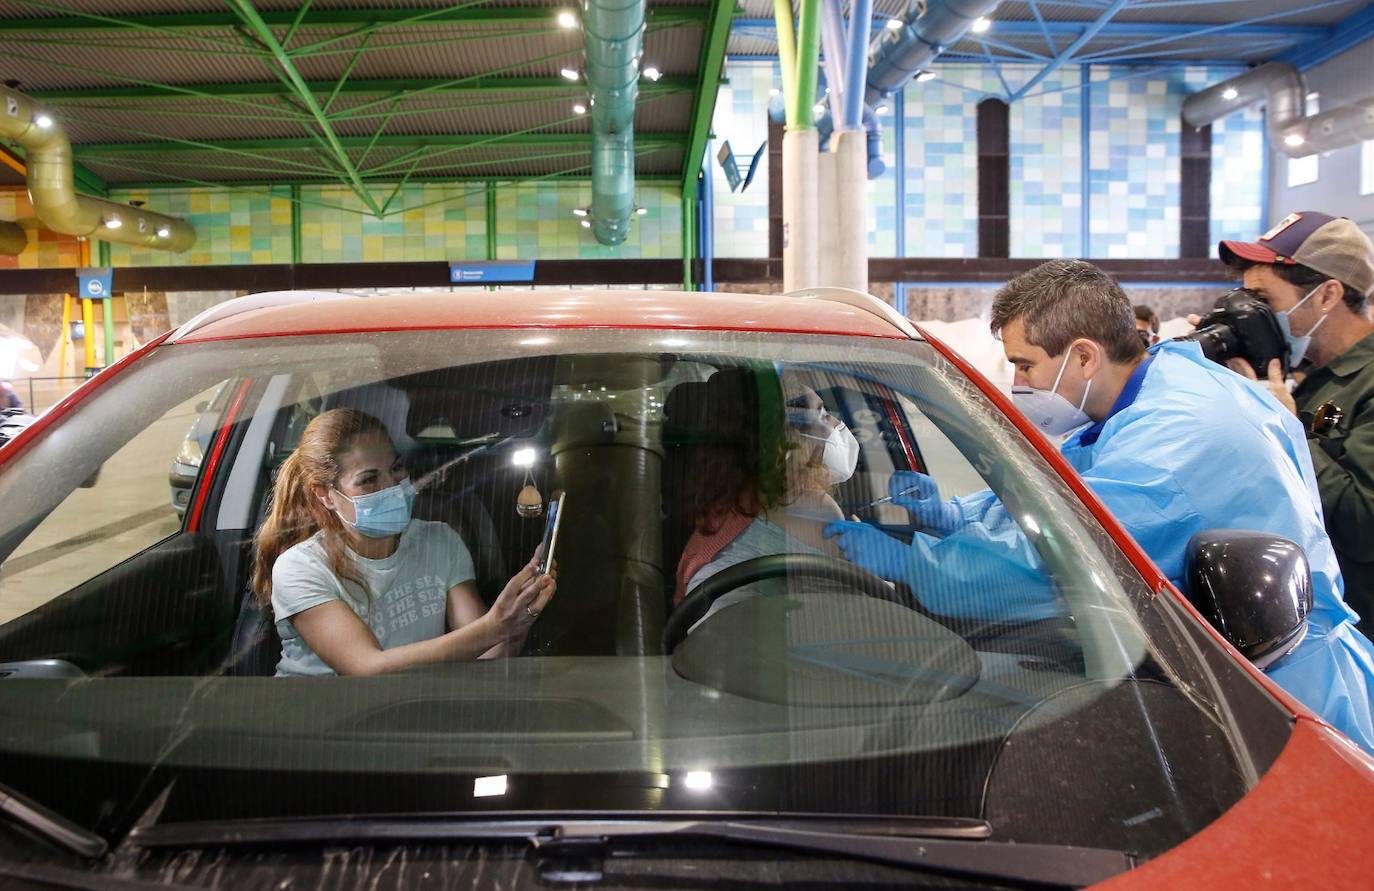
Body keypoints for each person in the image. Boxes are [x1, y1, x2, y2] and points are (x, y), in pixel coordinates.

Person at [825, 259, 1374, 753]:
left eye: (1025, 366)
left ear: (1084, 356)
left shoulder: (1173, 442)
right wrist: (959, 516)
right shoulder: (1157, 389)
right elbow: (1074, 493)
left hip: (1287, 695)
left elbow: (1058, 561)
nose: (1018, 385)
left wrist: (915, 563)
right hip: (1248, 666)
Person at [253, 408, 555, 677]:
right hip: (318, 726)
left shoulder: (440, 541)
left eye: (396, 468)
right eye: (369, 479)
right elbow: (366, 667)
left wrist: (520, 617)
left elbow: (489, 657)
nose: (393, 487)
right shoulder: (299, 567)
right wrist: (496, 626)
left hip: (408, 714)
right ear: (325, 495)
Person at [1217, 211, 1374, 640]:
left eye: (1263, 302)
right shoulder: (1307, 375)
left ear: (1327, 295)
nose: (1251, 316)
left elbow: (1364, 521)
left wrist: (1286, 427)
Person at [670, 367, 855, 611]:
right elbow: (855, 615)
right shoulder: (813, 508)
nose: (832, 424)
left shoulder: (726, 502)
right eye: (820, 413)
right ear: (787, 432)